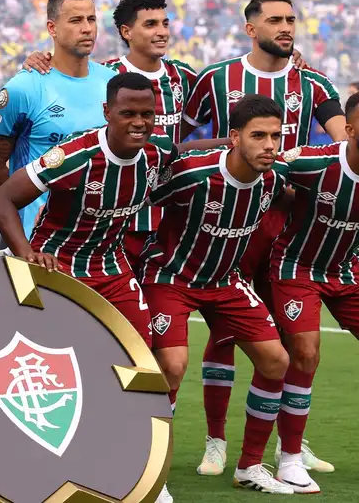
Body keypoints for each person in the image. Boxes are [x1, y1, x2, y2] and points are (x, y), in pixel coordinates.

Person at [0, 73, 226, 503]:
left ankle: (142, 462)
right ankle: (43, 461)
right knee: (61, 375)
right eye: (128, 113)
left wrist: (228, 143)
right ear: (106, 113)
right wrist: (25, 254)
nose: (139, 122)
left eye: (147, 114)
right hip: (59, 270)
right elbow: (3, 198)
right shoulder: (74, 157)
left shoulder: (156, 152)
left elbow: (182, 151)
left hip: (113, 270)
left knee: (158, 367)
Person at [181, 0, 345, 477]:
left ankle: (290, 444)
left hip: (291, 221)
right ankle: (216, 441)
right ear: (251, 28)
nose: (287, 26)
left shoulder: (312, 83)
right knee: (226, 328)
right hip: (232, 217)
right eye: (275, 19)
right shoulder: (216, 79)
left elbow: (340, 143)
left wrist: (307, 160)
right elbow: (184, 141)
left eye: (292, 18)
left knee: (294, 337)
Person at [142, 95, 296, 495]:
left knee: (276, 360)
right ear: (233, 138)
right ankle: (148, 472)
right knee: (172, 365)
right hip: (171, 278)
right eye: (257, 135)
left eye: (275, 137)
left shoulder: (275, 179)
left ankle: (250, 466)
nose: (268, 145)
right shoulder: (193, 175)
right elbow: (140, 203)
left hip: (225, 282)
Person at [269, 89, 359, 493]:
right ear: (349, 131)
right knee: (305, 353)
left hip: (347, 270)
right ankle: (289, 459)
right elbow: (259, 174)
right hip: (295, 266)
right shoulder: (311, 162)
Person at [0, 0, 115, 240]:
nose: (87, 28)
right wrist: (19, 213)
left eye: (91, 19)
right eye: (75, 20)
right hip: (38, 241)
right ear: (52, 28)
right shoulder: (24, 87)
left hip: (98, 240)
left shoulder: (112, 84)